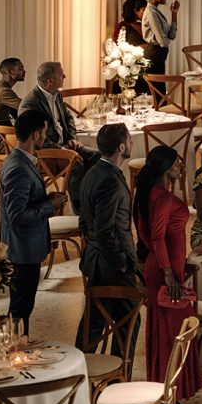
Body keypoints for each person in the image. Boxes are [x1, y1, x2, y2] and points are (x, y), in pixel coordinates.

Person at [132, 143, 201, 403]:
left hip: (166, 267)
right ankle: (168, 393)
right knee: (173, 331)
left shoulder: (153, 193)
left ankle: (171, 391)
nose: (182, 167)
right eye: (177, 163)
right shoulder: (161, 197)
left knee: (169, 330)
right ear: (165, 167)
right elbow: (158, 237)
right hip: (165, 272)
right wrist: (169, 274)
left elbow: (147, 233)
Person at [74, 122, 140, 350]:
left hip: (96, 260)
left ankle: (86, 372)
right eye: (130, 139)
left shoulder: (92, 173)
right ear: (121, 147)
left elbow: (83, 220)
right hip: (111, 265)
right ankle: (118, 377)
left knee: (94, 323)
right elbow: (105, 230)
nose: (132, 143)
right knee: (128, 321)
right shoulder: (111, 180)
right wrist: (121, 262)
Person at [0, 108, 55, 332]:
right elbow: (17, 215)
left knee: (22, 308)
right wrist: (50, 205)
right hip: (21, 251)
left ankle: (19, 350)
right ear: (35, 134)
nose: (45, 137)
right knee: (20, 310)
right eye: (44, 132)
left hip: (24, 249)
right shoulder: (18, 169)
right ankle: (16, 353)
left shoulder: (18, 161)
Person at [20, 61, 78, 150]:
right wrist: (61, 149)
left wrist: (72, 138)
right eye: (61, 75)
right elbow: (35, 136)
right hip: (47, 152)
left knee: (97, 155)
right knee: (79, 162)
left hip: (66, 145)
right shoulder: (30, 103)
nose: (64, 77)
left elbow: (68, 117)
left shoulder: (57, 94)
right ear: (50, 81)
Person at [141, 0, 179, 77]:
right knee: (157, 90)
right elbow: (163, 41)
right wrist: (165, 41)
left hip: (158, 56)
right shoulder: (151, 13)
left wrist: (174, 14)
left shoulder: (155, 11)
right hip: (153, 56)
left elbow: (172, 35)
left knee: (159, 89)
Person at [0, 57, 27, 127]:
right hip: (0, 136)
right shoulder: (3, 92)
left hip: (2, 132)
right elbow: (25, 106)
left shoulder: (1, 87)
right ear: (10, 72)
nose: (24, 71)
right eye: (20, 69)